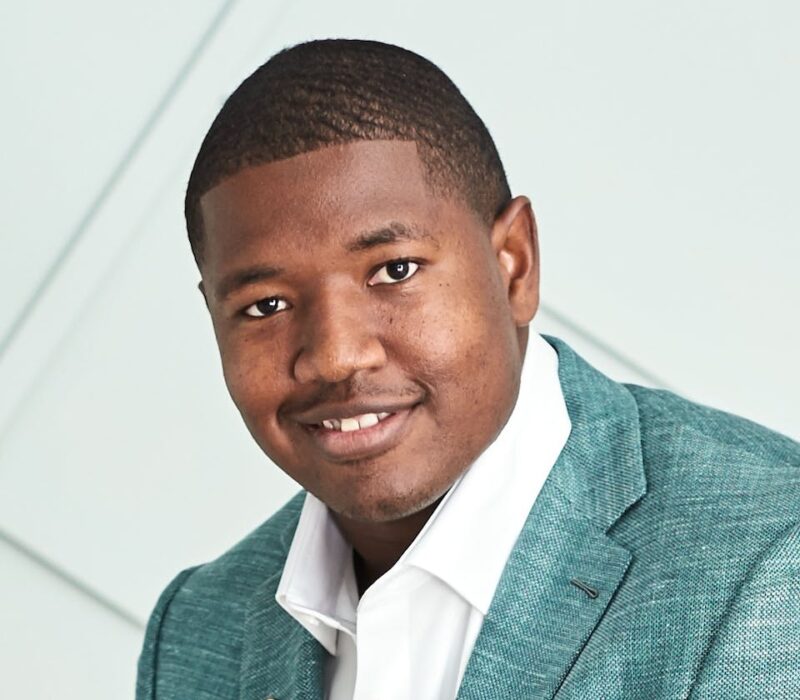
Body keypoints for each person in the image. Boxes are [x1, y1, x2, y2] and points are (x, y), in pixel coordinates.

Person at [136, 39, 800, 700]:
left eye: (395, 270)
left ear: (514, 263)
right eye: (265, 305)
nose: (337, 355)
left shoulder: (770, 557)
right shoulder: (197, 629)